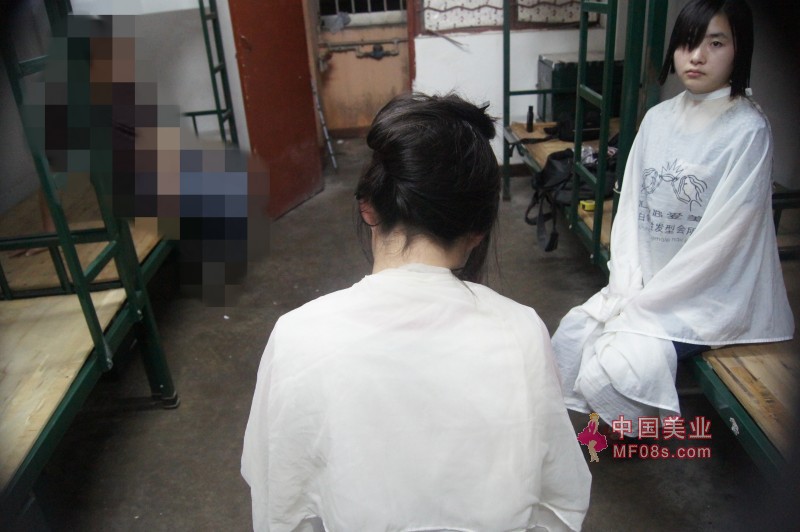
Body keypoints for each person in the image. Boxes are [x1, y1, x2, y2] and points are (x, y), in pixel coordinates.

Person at [241, 93, 591, 532]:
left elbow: (279, 501)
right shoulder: (520, 331)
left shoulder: (298, 337)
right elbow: (559, 502)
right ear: (479, 230)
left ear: (368, 207)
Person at [551, 0, 794, 433]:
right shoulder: (658, 118)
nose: (696, 56)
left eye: (715, 43)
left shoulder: (747, 129)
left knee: (618, 361)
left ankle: (631, 433)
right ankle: (618, 429)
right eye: (686, 43)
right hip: (648, 286)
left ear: (739, 49)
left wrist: (651, 301)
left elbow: (724, 242)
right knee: (574, 332)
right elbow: (630, 210)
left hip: (708, 296)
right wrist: (628, 282)